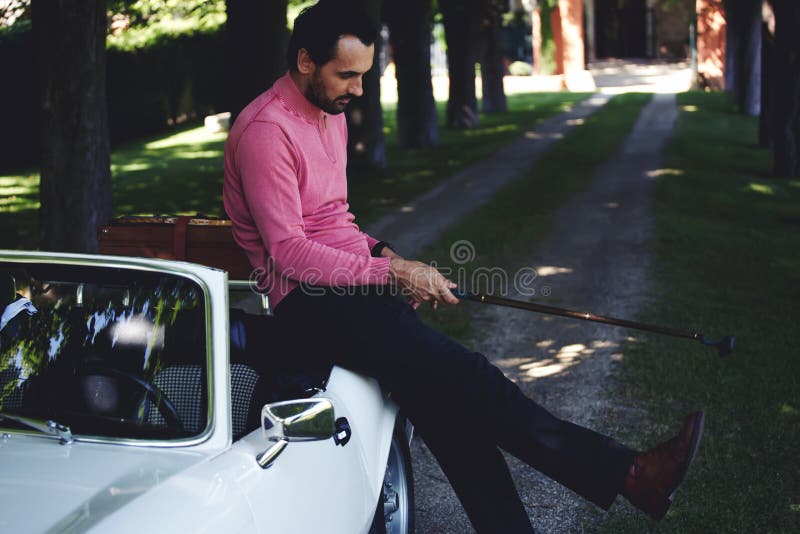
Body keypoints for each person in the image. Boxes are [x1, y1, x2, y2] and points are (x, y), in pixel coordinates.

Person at [222, 2, 704, 531]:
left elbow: (336, 220)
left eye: (364, 74)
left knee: (451, 411)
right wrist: (393, 275)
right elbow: (290, 252)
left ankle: (615, 483)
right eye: (348, 75)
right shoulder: (266, 131)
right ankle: (630, 472)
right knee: (469, 379)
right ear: (306, 60)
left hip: (352, 293)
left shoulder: (329, 114)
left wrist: (388, 256)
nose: (358, 90)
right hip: (308, 306)